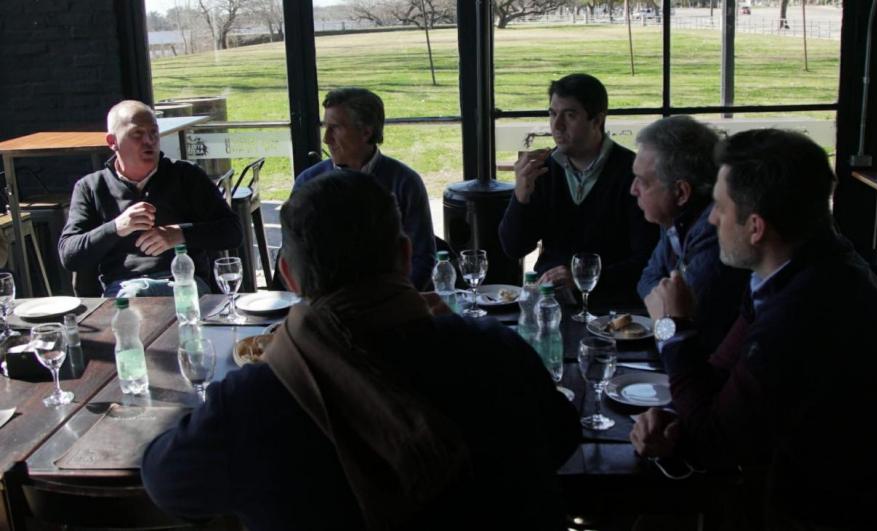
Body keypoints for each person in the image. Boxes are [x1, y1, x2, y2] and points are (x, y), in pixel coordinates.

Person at [142, 170, 580, 531]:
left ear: (290, 278)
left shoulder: (253, 398)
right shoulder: (499, 354)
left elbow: (165, 483)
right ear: (405, 257)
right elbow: (562, 439)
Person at [630, 129, 877, 529]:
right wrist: (676, 420)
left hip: (845, 509)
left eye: (721, 209)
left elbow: (716, 443)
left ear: (756, 228)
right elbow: (719, 380)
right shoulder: (791, 272)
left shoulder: (805, 311)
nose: (710, 219)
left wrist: (671, 327)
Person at [498, 73, 658, 307]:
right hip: (551, 301)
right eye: (553, 114)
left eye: (570, 115)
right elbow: (514, 248)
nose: (557, 125)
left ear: (597, 120)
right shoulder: (544, 171)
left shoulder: (631, 172)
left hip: (613, 306)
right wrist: (520, 197)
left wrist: (583, 277)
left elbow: (647, 260)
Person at [58, 100, 241, 297]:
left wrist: (179, 234)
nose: (149, 141)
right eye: (137, 134)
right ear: (113, 142)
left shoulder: (186, 176)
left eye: (153, 132)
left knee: (139, 299)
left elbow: (233, 232)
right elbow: (70, 256)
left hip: (184, 283)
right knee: (135, 296)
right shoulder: (92, 187)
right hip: (123, 289)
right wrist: (117, 227)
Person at [292, 87, 436, 289]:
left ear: (366, 132)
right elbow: (295, 257)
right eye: (326, 127)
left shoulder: (405, 183)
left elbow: (422, 258)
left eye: (335, 128)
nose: (326, 139)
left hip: (392, 307)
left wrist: (388, 306)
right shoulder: (308, 182)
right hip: (330, 309)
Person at [631, 115, 748, 350]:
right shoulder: (675, 218)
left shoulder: (714, 231)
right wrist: (665, 307)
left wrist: (665, 317)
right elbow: (646, 279)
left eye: (642, 182)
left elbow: (683, 321)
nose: (633, 190)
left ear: (681, 192)